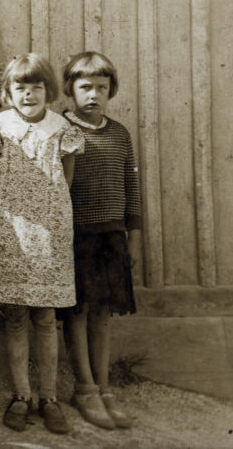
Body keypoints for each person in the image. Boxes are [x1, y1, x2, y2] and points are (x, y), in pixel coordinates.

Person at [0, 53, 85, 435]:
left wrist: (47, 210)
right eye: (20, 87)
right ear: (8, 92)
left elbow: (66, 178)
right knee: (17, 315)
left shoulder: (61, 128)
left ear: (48, 91)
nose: (28, 94)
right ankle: (21, 395)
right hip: (10, 230)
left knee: (46, 317)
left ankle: (49, 397)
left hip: (50, 233)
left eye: (36, 87)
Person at [61, 52, 140, 431]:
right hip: (75, 236)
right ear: (69, 90)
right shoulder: (59, 129)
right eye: (85, 87)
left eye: (102, 88)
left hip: (111, 236)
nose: (94, 95)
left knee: (103, 312)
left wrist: (132, 237)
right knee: (76, 312)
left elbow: (131, 188)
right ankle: (84, 387)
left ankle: (104, 387)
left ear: (111, 91)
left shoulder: (119, 133)